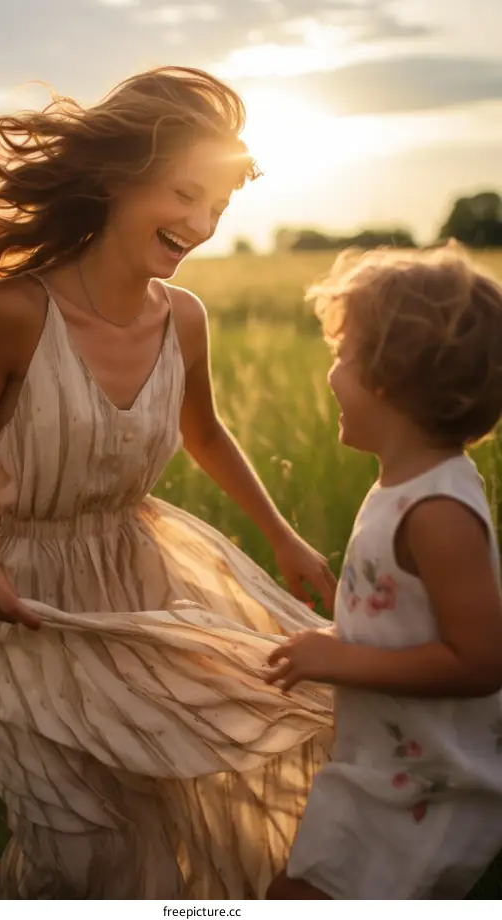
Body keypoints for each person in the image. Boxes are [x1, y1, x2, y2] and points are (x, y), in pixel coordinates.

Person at [0, 66, 336, 899]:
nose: (202, 225)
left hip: (141, 586)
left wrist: (281, 534)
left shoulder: (184, 318)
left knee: (176, 804)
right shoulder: (12, 315)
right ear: (113, 177)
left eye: (220, 206)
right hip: (29, 606)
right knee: (73, 840)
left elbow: (204, 432)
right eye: (184, 193)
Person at [264, 242, 502, 900]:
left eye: (343, 355)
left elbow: (482, 660)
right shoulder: (406, 485)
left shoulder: (437, 512)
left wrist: (339, 660)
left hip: (427, 788)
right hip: (388, 765)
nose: (331, 373)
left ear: (388, 377)